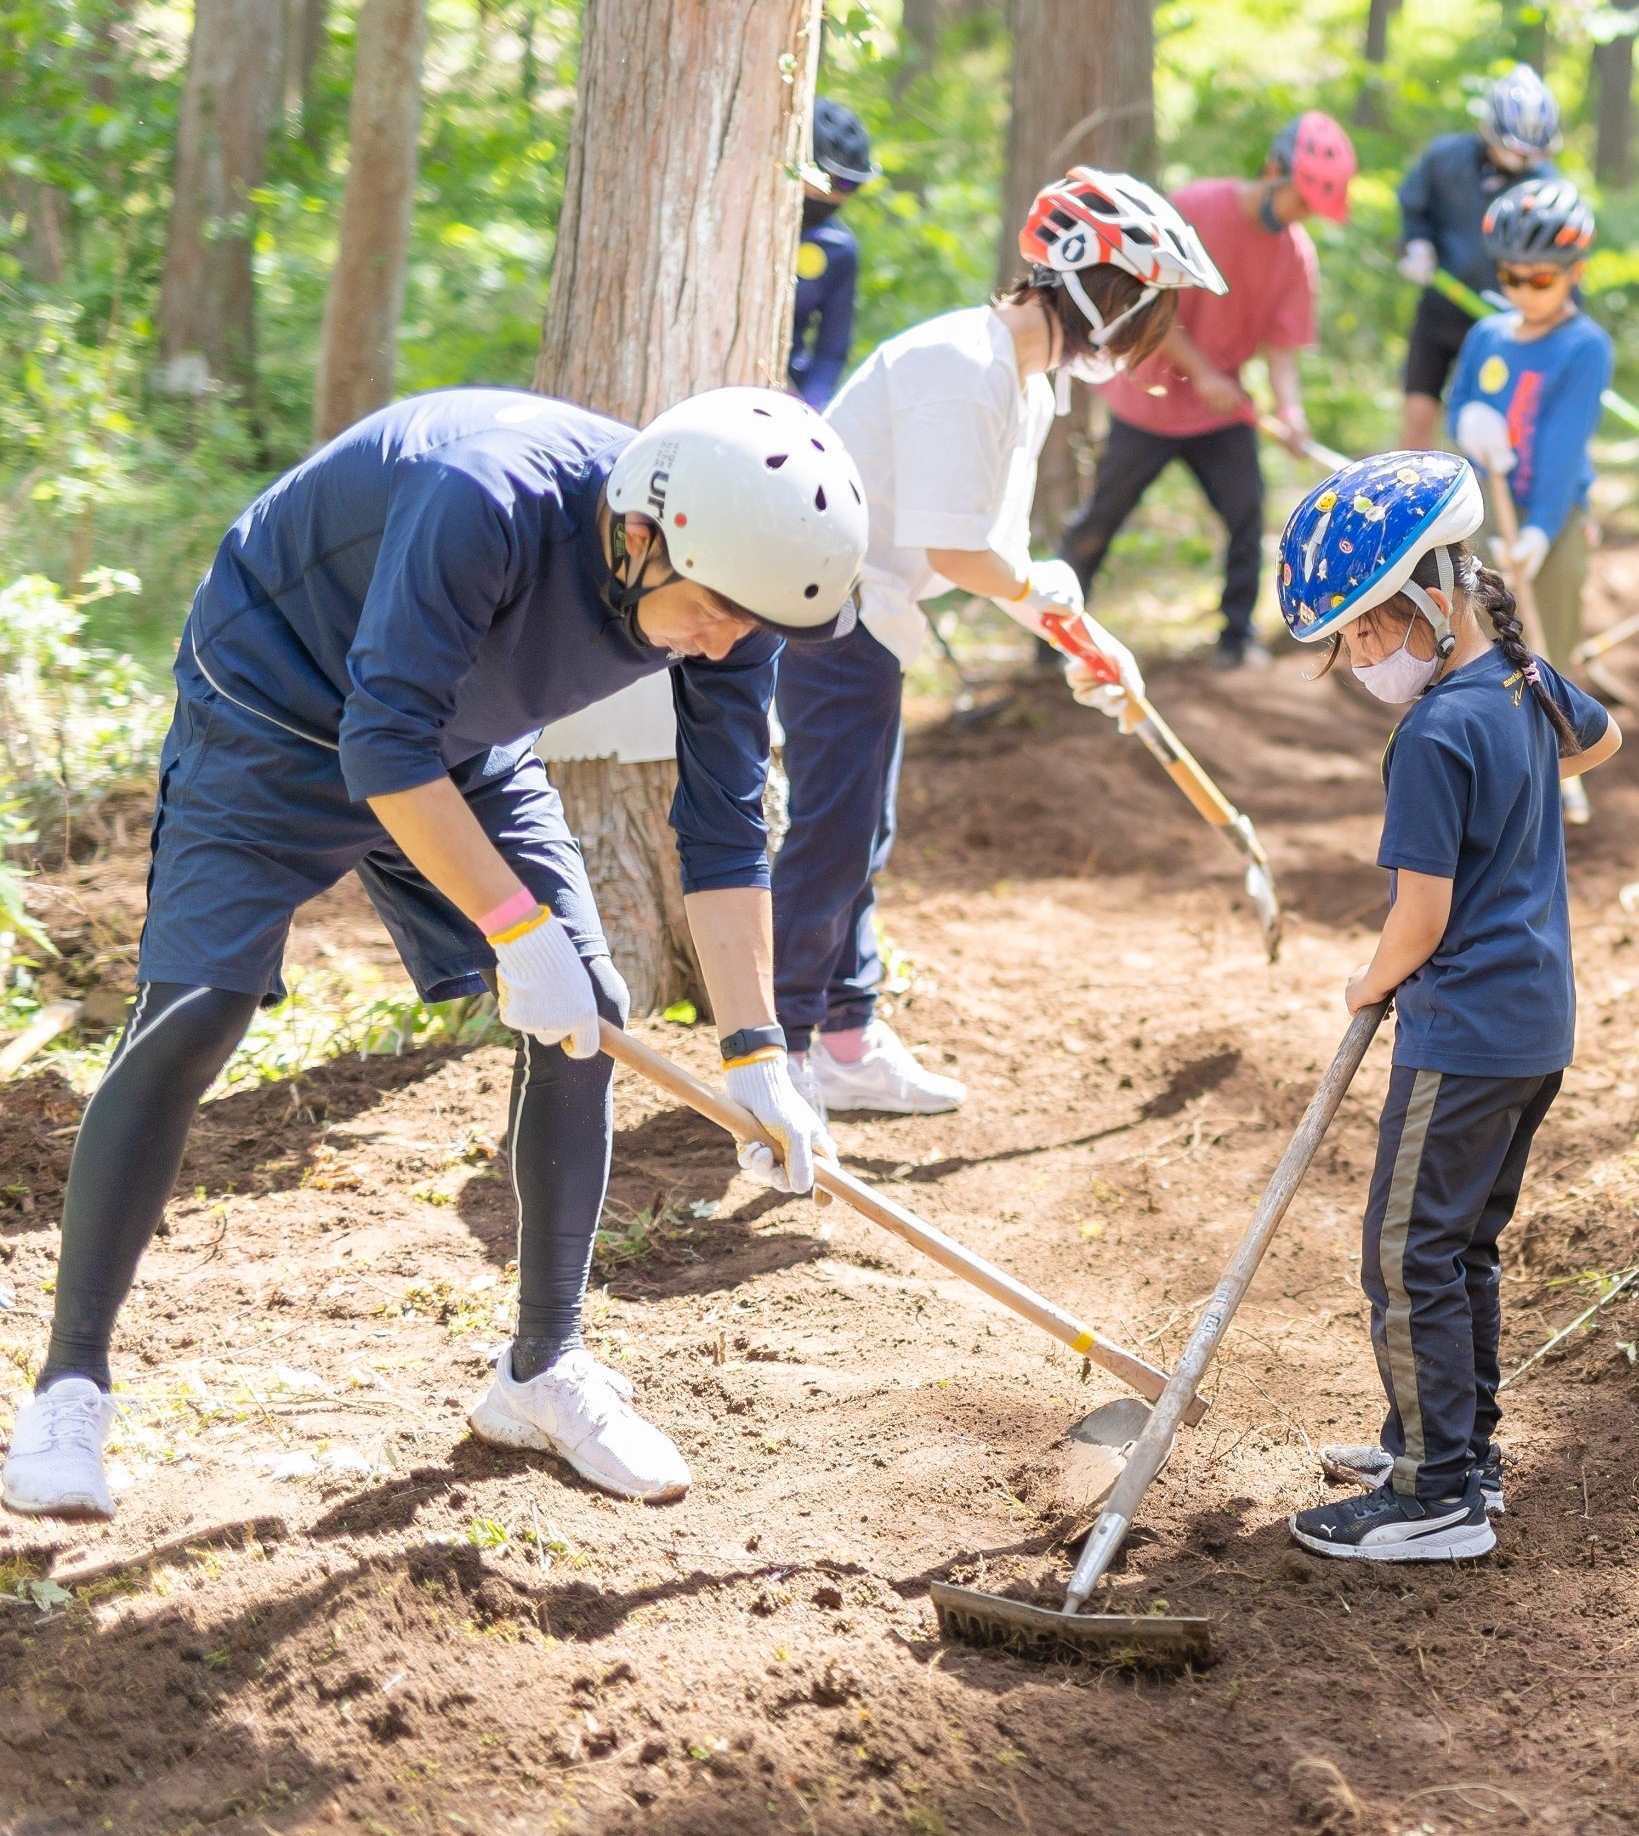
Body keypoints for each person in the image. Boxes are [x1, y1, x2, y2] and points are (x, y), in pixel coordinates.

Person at [1, 387, 871, 1521]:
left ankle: (541, 1372)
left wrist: (759, 1052)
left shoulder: (732, 592)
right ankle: (69, 1389)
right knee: (197, 1009)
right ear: (641, 538)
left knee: (589, 1016)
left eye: (750, 628)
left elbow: (720, 826)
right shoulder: (486, 498)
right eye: (713, 613)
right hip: (273, 704)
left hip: (453, 737)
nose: (725, 644)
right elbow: (380, 741)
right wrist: (517, 930)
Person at [779, 168, 1216, 1116]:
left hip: (871, 619)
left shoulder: (1023, 385)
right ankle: (780, 1048)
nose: (1151, 338)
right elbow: (958, 550)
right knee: (832, 835)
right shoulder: (961, 367)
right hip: (828, 612)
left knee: (861, 829)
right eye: (1150, 308)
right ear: (1104, 289)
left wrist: (1086, 641)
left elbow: (998, 553)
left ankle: (846, 1036)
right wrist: (1048, 600)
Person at [1274, 450, 1620, 1562]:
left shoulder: (1431, 735)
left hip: (1460, 1029)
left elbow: (1417, 918)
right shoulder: (1517, 682)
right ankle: (1457, 1449)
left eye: (1372, 628)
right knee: (1462, 1245)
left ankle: (1433, 1497)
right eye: (1349, 640)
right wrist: (1508, 794)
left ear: (1433, 595)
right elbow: (1602, 740)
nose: (1361, 656)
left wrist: (1369, 979)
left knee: (1405, 1251)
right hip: (1534, 1026)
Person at [1058, 113, 1353, 670]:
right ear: (1272, 171)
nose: (1302, 216)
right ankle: (1056, 639)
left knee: (1248, 514)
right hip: (1147, 399)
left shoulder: (1295, 254)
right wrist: (1204, 373)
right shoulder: (1193, 209)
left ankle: (1236, 640)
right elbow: (1147, 308)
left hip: (1220, 416)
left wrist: (1290, 409)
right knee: (1102, 518)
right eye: (1300, 200)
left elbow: (1282, 348)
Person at [1446, 177, 1613, 827]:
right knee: (1479, 652)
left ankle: (1552, 770)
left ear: (1575, 274)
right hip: (1483, 516)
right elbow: (1461, 398)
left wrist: (1542, 531)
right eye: (1511, 276)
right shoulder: (1487, 336)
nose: (1522, 290)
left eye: (1540, 280)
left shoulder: (1584, 346)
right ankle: (1485, 780)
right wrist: (1469, 425)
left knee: (1544, 649)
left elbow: (1567, 448)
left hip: (1551, 523)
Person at [1395, 64, 1562, 452]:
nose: (1520, 159)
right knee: (1418, 418)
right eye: (1513, 148)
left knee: (1483, 432)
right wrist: (1418, 244)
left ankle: (1482, 509)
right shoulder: (1444, 159)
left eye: (1529, 153)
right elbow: (1414, 208)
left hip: (1502, 325)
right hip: (1440, 309)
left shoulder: (1547, 188)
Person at [790, 99, 879, 411]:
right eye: (831, 181)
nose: (836, 195)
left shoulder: (838, 249)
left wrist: (809, 410)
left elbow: (831, 349)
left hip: (783, 394)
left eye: (849, 186)